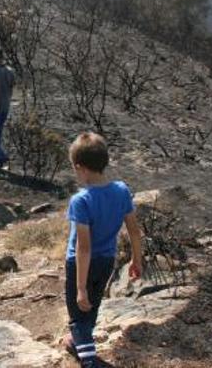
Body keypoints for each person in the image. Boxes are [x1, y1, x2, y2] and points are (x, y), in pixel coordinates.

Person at [63, 132, 143, 367]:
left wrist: (79, 287)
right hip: (107, 260)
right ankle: (79, 343)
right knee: (93, 304)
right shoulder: (121, 190)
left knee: (78, 313)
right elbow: (134, 231)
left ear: (80, 167)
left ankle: (89, 361)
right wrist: (136, 260)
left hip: (81, 264)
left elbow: (83, 248)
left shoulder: (81, 200)